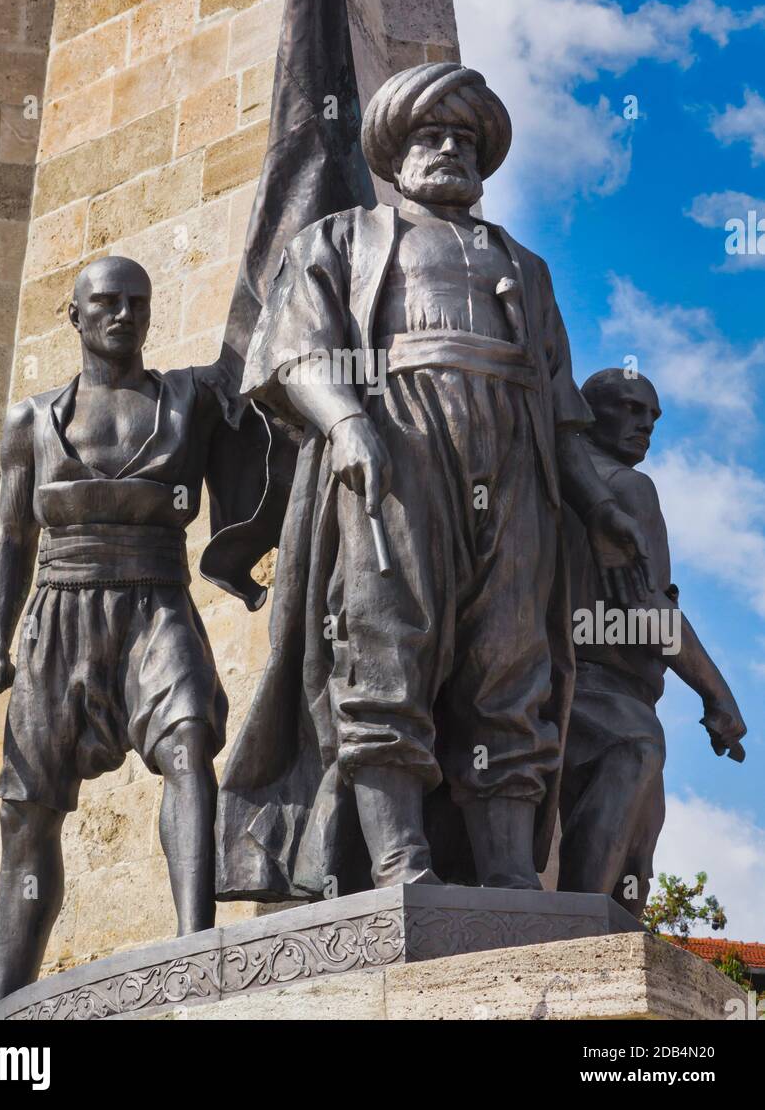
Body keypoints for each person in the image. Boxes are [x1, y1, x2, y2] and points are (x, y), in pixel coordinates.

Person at [216, 62, 652, 902]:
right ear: (396, 152)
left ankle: (507, 870)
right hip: (396, 452)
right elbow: (294, 351)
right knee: (386, 648)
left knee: (512, 662)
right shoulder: (340, 240)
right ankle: (396, 862)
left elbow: (560, 403)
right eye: (431, 136)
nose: (449, 149)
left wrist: (596, 503)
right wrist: (344, 421)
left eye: (464, 139)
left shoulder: (522, 265)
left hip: (516, 466)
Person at [0, 255, 272, 1005]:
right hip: (57, 618)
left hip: (155, 602)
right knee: (28, 812)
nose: (123, 314)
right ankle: (6, 1000)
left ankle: (195, 950)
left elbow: (258, 347)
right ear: (74, 315)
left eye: (138, 302)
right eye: (105, 302)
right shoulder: (30, 422)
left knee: (189, 741)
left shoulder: (189, 399)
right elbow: (11, 539)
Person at [558, 368, 746, 915]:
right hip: (604, 692)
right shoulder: (625, 487)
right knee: (633, 763)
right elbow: (645, 608)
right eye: (632, 409)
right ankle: (568, 945)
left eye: (654, 416)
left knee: (633, 869)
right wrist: (718, 693)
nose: (646, 425)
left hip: (560, 683)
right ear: (590, 413)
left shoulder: (551, 482)